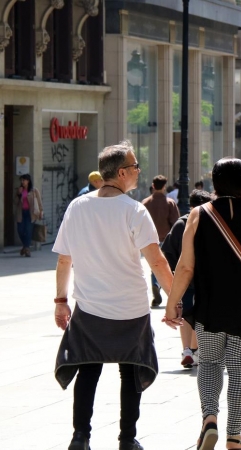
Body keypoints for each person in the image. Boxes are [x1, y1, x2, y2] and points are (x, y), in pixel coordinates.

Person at [163, 157, 241, 450]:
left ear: (214, 184)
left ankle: (210, 418)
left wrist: (172, 304)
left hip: (210, 304)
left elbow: (184, 267)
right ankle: (234, 436)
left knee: (208, 363)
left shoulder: (198, 214)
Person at [53, 141, 174, 450]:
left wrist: (61, 301)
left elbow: (64, 260)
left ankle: (80, 436)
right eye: (135, 167)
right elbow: (157, 261)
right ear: (121, 173)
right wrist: (175, 298)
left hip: (90, 307)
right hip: (131, 309)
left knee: (88, 370)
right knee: (130, 373)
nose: (138, 172)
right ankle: (127, 439)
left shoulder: (77, 207)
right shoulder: (133, 210)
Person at [161, 189, 213, 369]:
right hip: (204, 279)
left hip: (183, 278)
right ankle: (195, 349)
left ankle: (187, 350)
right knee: (200, 314)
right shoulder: (211, 223)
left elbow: (168, 251)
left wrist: (175, 272)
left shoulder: (180, 224)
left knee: (184, 313)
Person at [142, 175, 180, 307]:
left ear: (153, 186)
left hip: (149, 239)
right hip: (166, 239)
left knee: (154, 265)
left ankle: (155, 284)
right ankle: (166, 289)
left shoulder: (145, 203)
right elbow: (175, 223)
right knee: (166, 265)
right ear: (164, 187)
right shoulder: (170, 203)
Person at [13, 173, 43, 257]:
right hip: (21, 213)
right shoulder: (19, 190)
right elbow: (15, 202)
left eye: (24, 180)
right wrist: (18, 194)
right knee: (20, 230)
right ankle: (25, 247)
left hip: (31, 213)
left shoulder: (34, 190)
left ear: (28, 181)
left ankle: (27, 249)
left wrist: (41, 211)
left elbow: (39, 201)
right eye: (21, 180)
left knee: (28, 231)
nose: (22, 182)